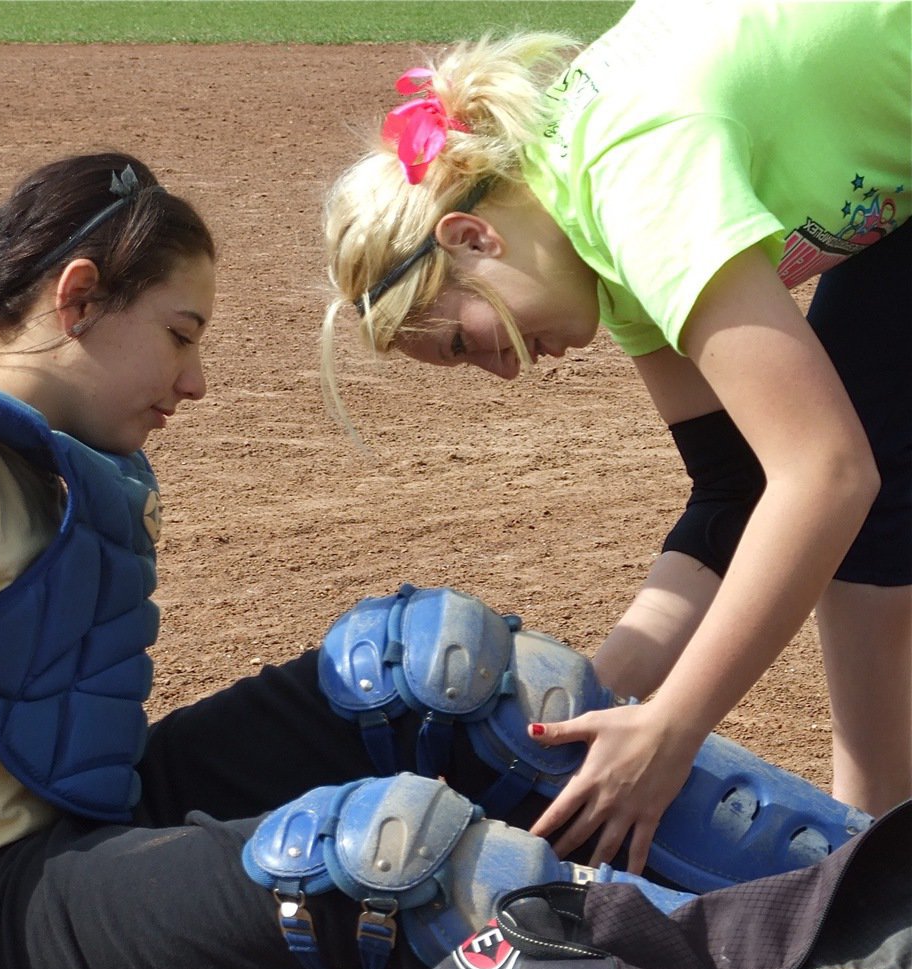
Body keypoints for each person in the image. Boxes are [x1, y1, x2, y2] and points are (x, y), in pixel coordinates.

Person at [0, 152, 880, 969]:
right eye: (178, 334)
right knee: (385, 852)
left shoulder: (50, 454)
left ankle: (868, 885)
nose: (197, 379)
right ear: (77, 299)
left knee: (439, 666)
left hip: (66, 837)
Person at [320, 1, 912, 876]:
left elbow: (822, 475)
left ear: (472, 236)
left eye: (463, 341)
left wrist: (673, 725)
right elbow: (733, 493)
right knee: (870, 519)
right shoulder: (585, 232)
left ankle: (874, 869)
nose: (506, 374)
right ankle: (878, 863)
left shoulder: (637, 182)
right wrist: (578, 709)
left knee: (849, 487)